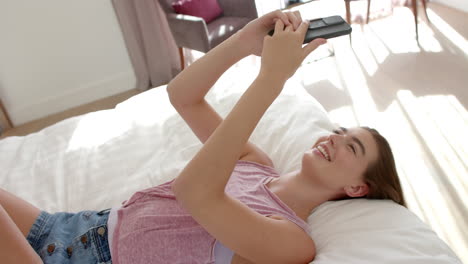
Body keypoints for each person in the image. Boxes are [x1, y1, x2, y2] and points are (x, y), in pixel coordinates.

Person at [0, 10, 405, 264]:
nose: (332, 139)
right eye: (338, 132)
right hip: (76, 227)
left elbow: (195, 191)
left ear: (358, 187)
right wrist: (243, 43)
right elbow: (183, 97)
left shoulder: (293, 242)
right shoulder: (257, 165)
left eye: (351, 145)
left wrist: (272, 79)